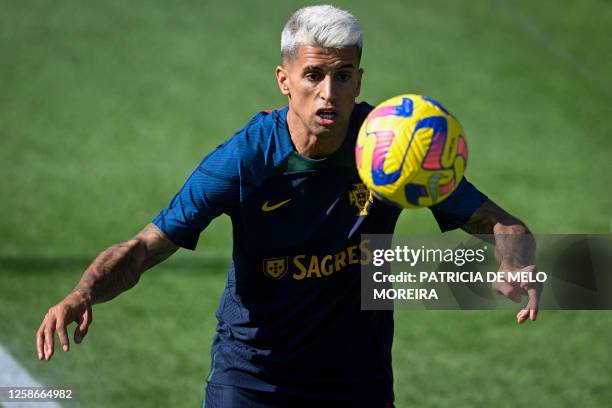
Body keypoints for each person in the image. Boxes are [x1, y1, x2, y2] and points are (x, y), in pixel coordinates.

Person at [36, 5, 541, 407]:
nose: (328, 93)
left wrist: (518, 265)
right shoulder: (246, 159)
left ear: (359, 83)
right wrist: (84, 293)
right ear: (284, 79)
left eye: (343, 76)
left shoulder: (390, 148)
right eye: (314, 75)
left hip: (355, 381)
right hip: (253, 379)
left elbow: (502, 223)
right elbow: (147, 245)